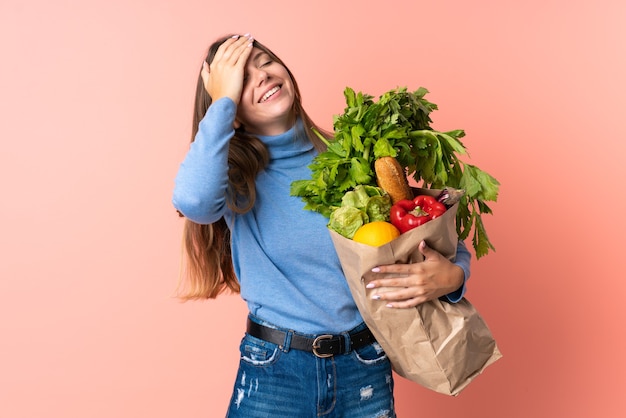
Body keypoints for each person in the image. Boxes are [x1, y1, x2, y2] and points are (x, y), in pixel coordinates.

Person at [172, 33, 471, 418]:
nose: (261, 76)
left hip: (365, 369)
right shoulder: (233, 178)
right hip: (274, 373)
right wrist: (222, 103)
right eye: (241, 78)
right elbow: (193, 202)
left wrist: (453, 277)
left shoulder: (355, 159)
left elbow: (430, 227)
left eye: (264, 62)